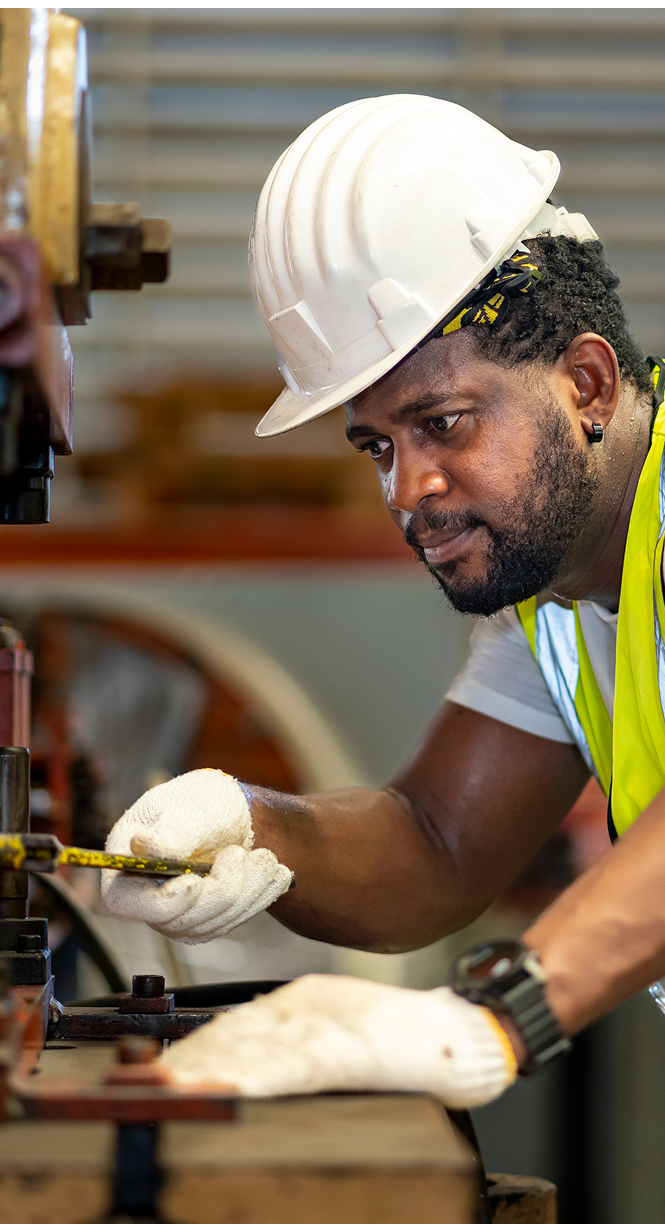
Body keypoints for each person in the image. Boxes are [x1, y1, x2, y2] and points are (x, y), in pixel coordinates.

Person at [101, 95, 665, 1107]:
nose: (405, 490)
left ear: (583, 382)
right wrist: (250, 825)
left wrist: (493, 1021)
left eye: (442, 423)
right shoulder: (552, 599)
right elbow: (435, 845)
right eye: (376, 445)